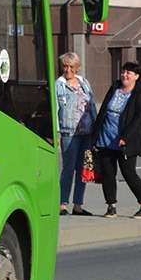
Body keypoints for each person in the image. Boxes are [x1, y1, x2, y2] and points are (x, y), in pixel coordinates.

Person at [91, 61, 141, 219]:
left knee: (129, 173)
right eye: (123, 72)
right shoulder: (114, 89)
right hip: (106, 138)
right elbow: (103, 110)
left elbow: (139, 118)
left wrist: (126, 137)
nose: (125, 75)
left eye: (129, 73)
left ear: (136, 76)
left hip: (126, 141)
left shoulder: (140, 94)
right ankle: (111, 206)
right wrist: (95, 134)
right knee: (108, 174)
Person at [54, 52, 95, 216]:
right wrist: (56, 133)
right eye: (65, 66)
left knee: (83, 170)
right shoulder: (59, 85)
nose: (68, 69)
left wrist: (97, 128)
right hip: (69, 133)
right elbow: (55, 109)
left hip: (87, 133)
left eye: (71, 66)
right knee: (68, 169)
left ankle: (78, 205)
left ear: (77, 68)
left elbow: (92, 106)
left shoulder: (84, 82)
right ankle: (62, 204)